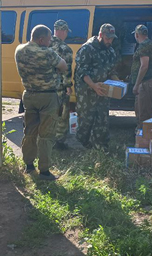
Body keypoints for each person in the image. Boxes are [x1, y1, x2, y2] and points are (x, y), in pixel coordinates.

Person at [15, 25, 67, 180]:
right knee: (46, 135)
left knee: (29, 132)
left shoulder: (19, 50)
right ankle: (44, 171)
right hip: (47, 97)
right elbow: (63, 66)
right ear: (41, 39)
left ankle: (29, 166)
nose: (50, 42)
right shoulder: (48, 53)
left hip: (29, 96)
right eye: (49, 39)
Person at [74, 23, 120, 150]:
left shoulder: (110, 51)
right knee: (86, 120)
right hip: (86, 92)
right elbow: (82, 72)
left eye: (111, 38)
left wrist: (118, 83)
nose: (109, 41)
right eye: (107, 38)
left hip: (103, 90)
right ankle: (82, 143)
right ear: (100, 35)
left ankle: (101, 145)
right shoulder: (87, 49)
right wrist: (93, 86)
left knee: (102, 118)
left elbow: (112, 71)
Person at [51, 20, 74, 150]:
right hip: (59, 88)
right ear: (64, 31)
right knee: (62, 115)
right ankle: (58, 142)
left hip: (45, 87)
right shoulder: (65, 49)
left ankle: (45, 140)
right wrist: (68, 86)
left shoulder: (44, 44)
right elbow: (66, 70)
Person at [131, 24, 152, 130]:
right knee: (141, 109)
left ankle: (145, 138)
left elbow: (144, 66)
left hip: (145, 83)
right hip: (147, 82)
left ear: (137, 35)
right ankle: (141, 135)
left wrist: (137, 84)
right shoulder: (149, 44)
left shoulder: (144, 46)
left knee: (144, 113)